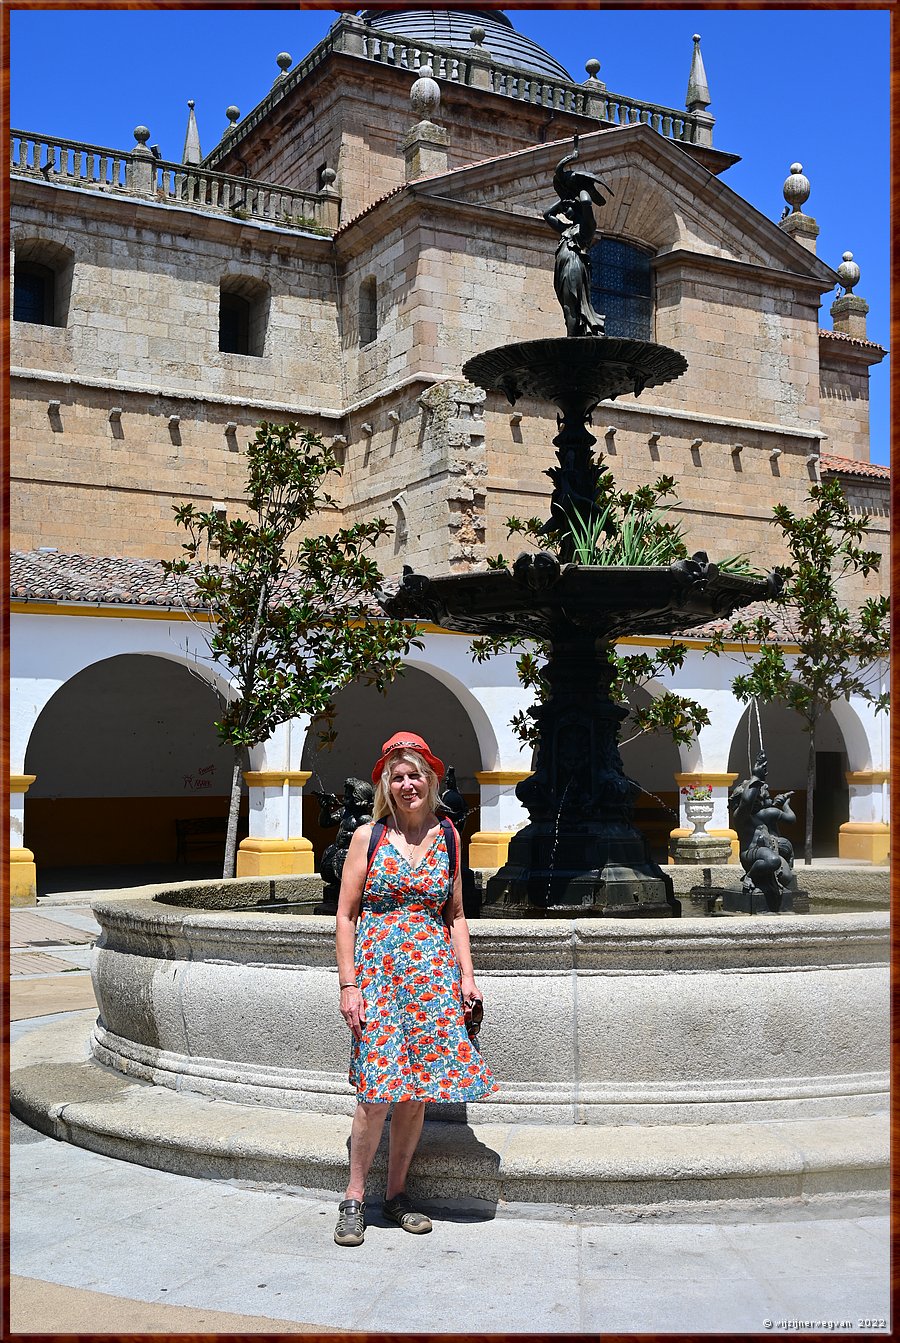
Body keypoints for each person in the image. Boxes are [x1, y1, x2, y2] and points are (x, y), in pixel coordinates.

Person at [333, 731, 498, 1247]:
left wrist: (467, 977)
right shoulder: (368, 836)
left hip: (431, 978)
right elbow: (345, 915)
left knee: (416, 1093)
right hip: (379, 977)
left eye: (416, 776)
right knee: (375, 1094)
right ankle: (354, 1198)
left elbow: (455, 916)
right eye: (398, 777)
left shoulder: (448, 835)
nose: (408, 785)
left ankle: (396, 1194)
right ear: (387, 784)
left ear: (431, 780)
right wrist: (348, 985)